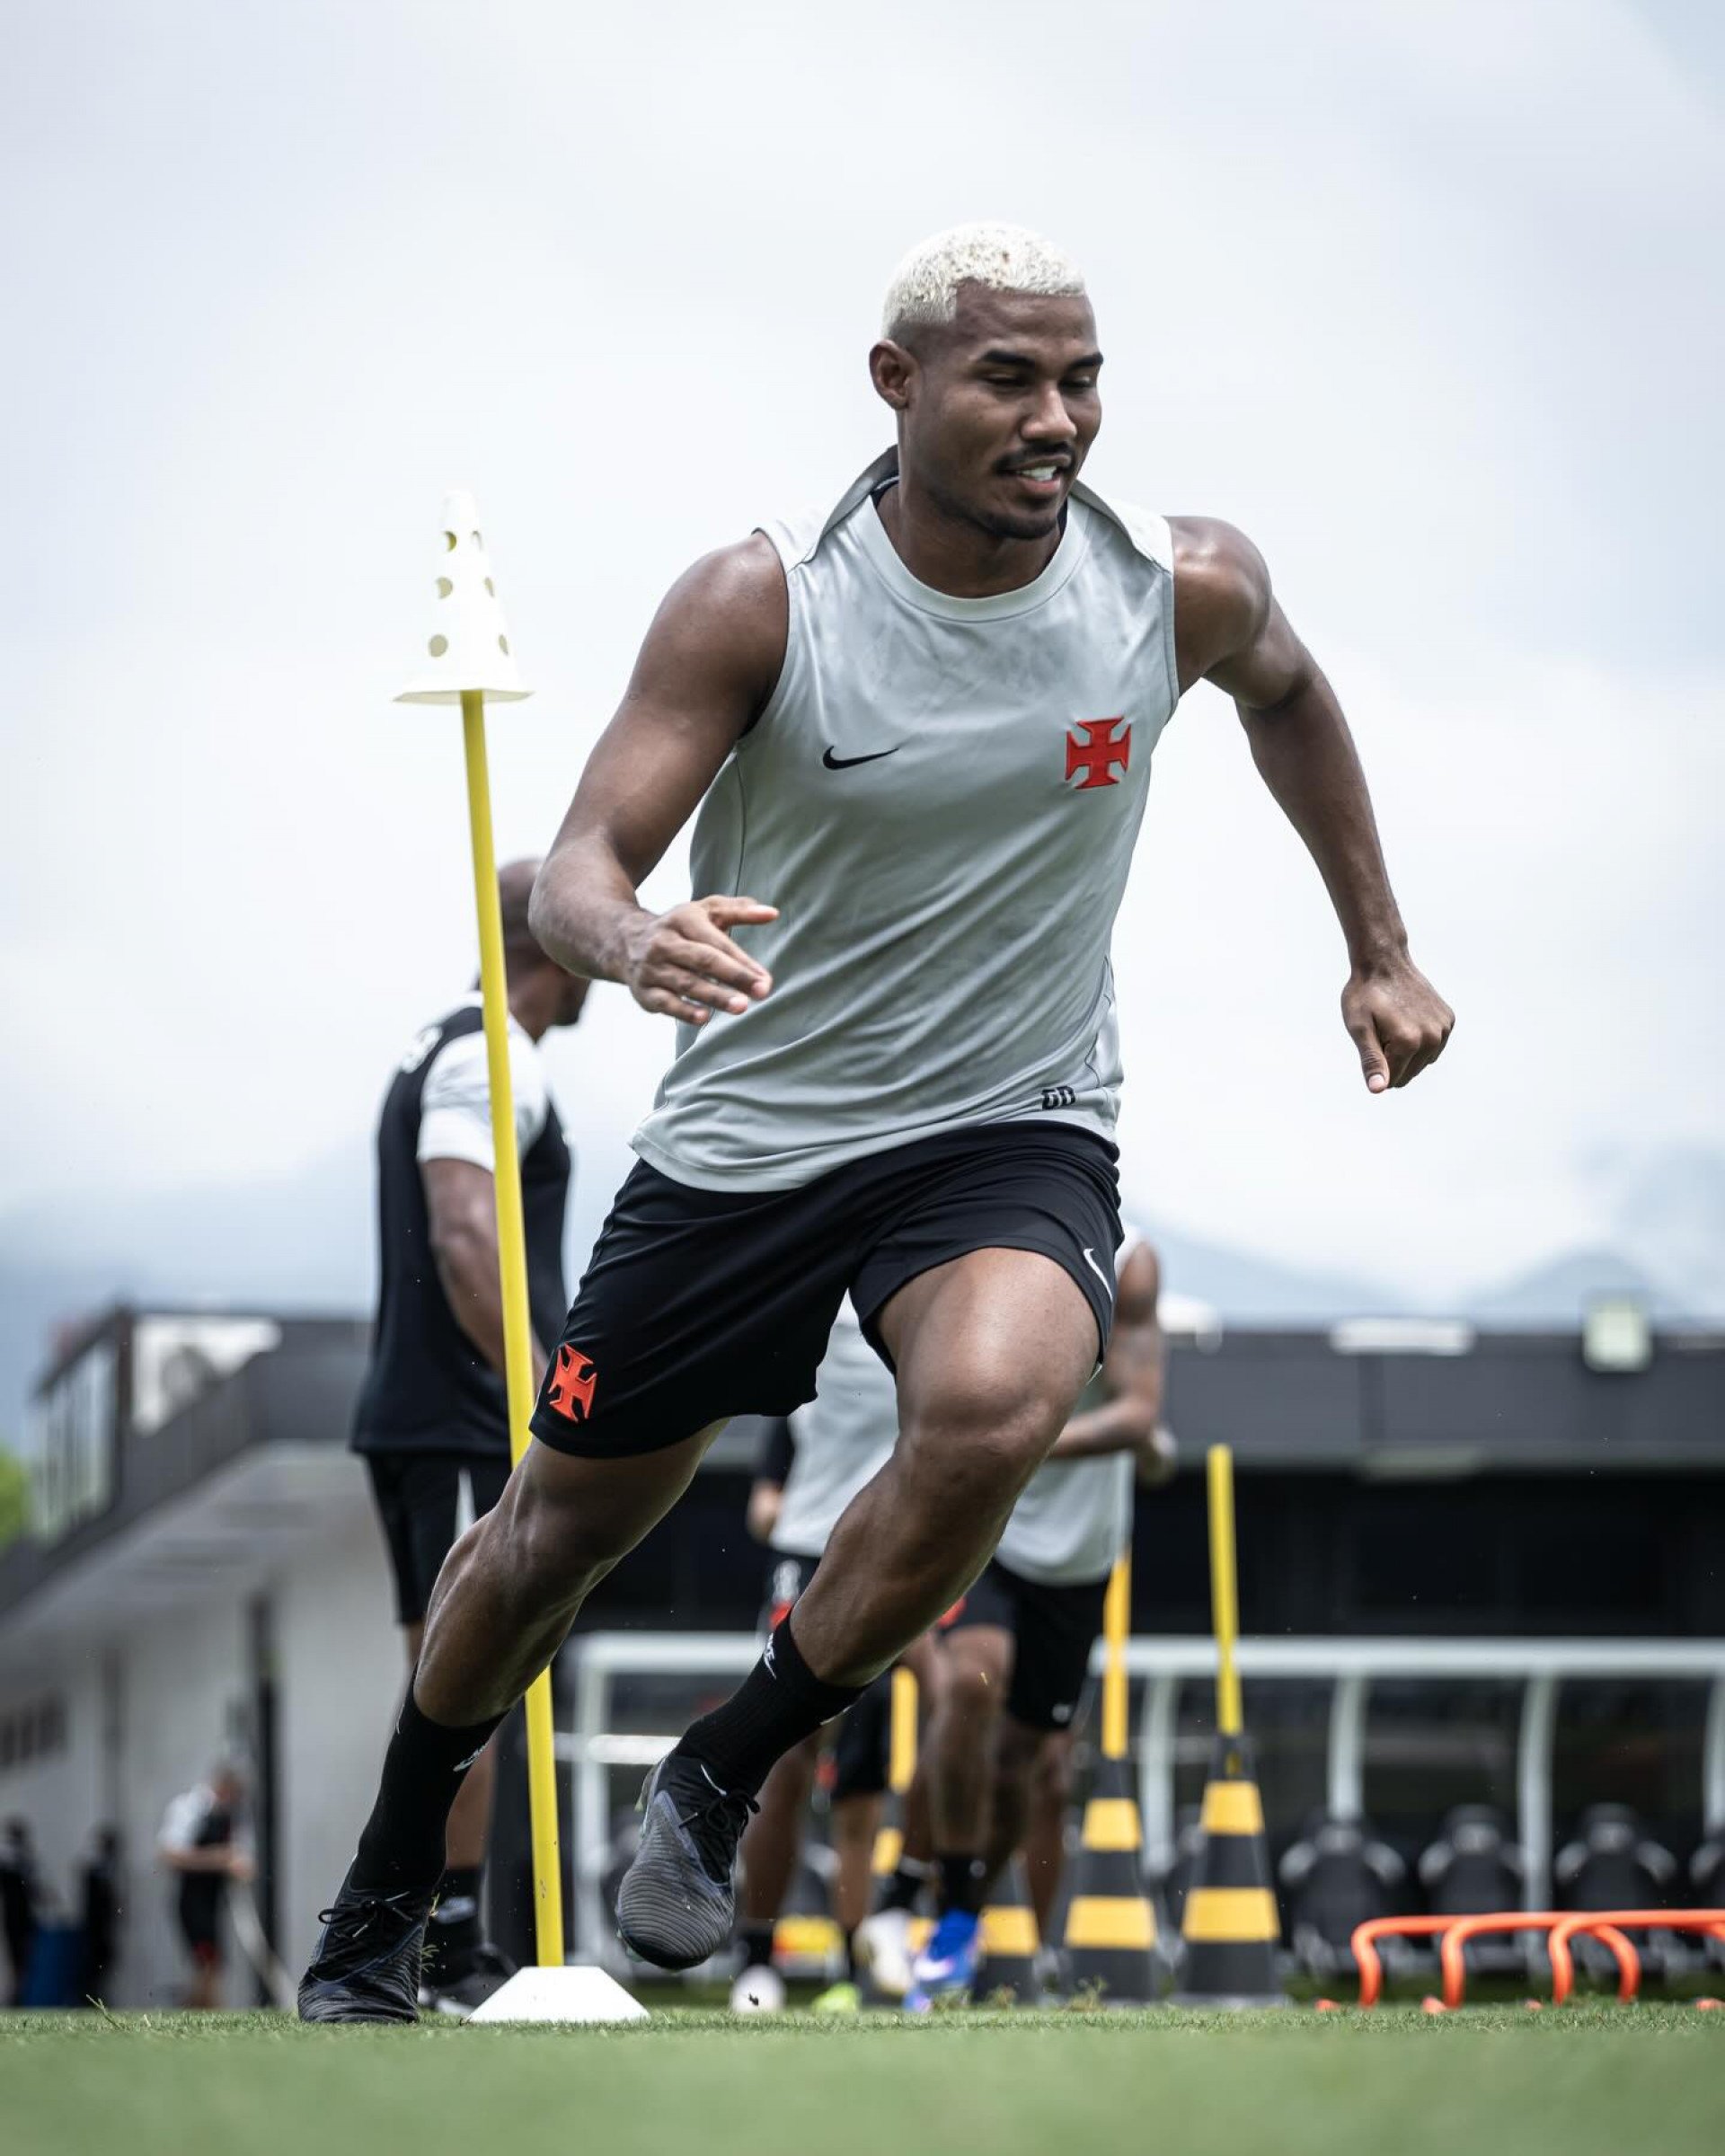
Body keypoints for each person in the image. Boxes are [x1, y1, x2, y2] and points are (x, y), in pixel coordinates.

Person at [300, 219, 1454, 2022]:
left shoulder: (1179, 587)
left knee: (998, 1406)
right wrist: (631, 935)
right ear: (897, 384)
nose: (1057, 417)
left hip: (1015, 1116)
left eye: (1081, 379)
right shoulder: (764, 602)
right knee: (547, 1544)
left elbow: (1291, 694)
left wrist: (1379, 950)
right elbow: (582, 868)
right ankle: (378, 1897)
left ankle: (724, 1765)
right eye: (1010, 377)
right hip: (755, 1139)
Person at [349, 857, 588, 2015]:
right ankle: (441, 1945)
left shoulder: (453, 1045)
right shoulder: (490, 1053)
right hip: (458, 1419)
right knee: (465, 1672)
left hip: (429, 1415)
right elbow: (460, 1231)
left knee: (447, 1674)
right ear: (554, 942)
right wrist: (537, 1386)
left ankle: (427, 1939)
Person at [908, 1228, 1169, 2005]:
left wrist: (1022, 1443)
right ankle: (927, 1896)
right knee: (966, 1687)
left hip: (1080, 1558)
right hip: (991, 1531)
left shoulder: (1132, 1264)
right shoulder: (979, 1238)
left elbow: (1137, 1414)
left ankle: (960, 1916)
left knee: (1030, 1760)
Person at [729, 1300, 942, 2014]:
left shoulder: (925, 1326)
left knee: (863, 1787)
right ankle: (756, 1962)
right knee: (787, 1759)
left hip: (891, 1558)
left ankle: (870, 1946)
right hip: (808, 1562)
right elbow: (766, 1500)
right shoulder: (806, 1334)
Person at [158, 1763, 252, 2010]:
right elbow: (170, 1855)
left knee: (211, 1961)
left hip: (215, 1899)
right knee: (207, 1958)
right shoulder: (190, 1808)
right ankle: (210, 2010)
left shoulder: (229, 1816)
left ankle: (195, 2010)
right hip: (192, 1898)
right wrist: (219, 1859)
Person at [79, 1827, 122, 2007]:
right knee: (94, 1961)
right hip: (96, 1923)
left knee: (105, 1959)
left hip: (104, 1924)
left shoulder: (107, 1868)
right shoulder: (97, 1868)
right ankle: (89, 1998)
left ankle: (95, 1996)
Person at [1, 1817, 40, 2006]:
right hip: (13, 1913)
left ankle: (21, 1995)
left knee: (23, 1956)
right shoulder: (9, 1857)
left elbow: (32, 1887)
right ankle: (16, 1997)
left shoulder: (24, 1857)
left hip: (23, 1913)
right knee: (17, 1956)